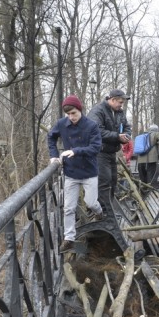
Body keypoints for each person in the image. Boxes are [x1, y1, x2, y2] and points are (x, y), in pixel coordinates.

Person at [48, 95, 103, 253]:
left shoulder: (91, 126)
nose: (71, 117)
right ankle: (69, 238)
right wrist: (53, 155)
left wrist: (75, 151)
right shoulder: (61, 124)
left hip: (89, 171)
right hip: (71, 172)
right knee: (68, 208)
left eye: (74, 113)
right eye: (68, 114)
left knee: (91, 203)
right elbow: (51, 137)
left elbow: (96, 148)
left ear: (80, 110)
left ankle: (99, 213)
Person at [87, 89, 132, 211]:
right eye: (120, 102)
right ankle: (102, 212)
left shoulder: (119, 112)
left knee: (113, 181)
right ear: (112, 100)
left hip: (112, 152)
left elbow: (127, 126)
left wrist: (126, 136)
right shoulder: (98, 111)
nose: (121, 105)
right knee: (103, 182)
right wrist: (117, 136)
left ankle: (109, 210)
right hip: (99, 152)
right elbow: (96, 131)